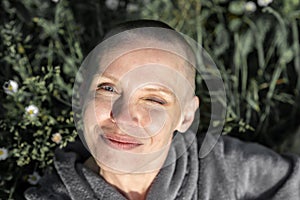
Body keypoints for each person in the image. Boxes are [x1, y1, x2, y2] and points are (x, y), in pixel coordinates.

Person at [25, 20, 300, 200]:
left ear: (186, 115)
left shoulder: (222, 168)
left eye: (154, 100)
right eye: (107, 89)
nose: (123, 117)